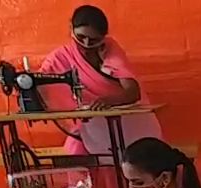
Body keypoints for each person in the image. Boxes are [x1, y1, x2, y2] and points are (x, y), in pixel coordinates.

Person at [40, 4, 163, 156]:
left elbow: (132, 92)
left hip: (129, 125)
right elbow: (38, 83)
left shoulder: (109, 48)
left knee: (132, 160)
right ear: (70, 27)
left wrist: (108, 101)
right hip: (92, 127)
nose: (85, 44)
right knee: (75, 151)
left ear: (103, 37)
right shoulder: (59, 58)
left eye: (93, 40)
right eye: (81, 37)